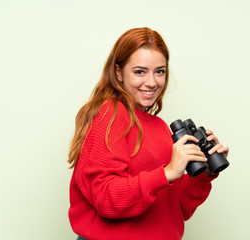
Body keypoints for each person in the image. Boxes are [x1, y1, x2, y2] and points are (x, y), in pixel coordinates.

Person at [67, 27, 229, 240]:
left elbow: (177, 210)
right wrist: (167, 172)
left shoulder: (160, 127)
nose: (152, 82)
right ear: (119, 73)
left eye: (159, 71)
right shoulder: (110, 114)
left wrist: (205, 173)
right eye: (140, 71)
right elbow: (105, 198)